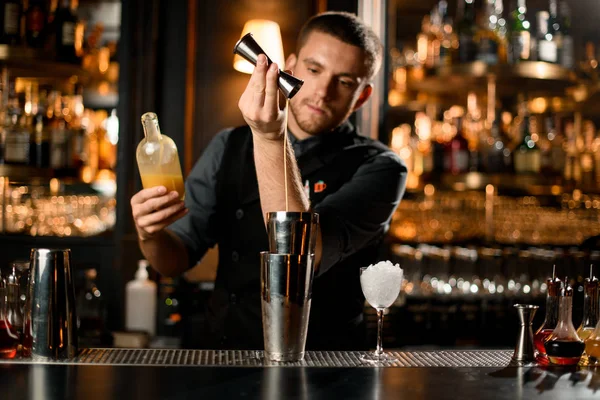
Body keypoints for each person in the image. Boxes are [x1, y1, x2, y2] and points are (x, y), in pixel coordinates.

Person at [130, 11, 407, 350]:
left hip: (328, 366)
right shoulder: (227, 146)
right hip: (227, 354)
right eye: (314, 70)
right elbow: (174, 261)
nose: (322, 91)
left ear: (362, 97)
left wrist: (269, 137)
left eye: (345, 82)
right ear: (289, 67)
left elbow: (297, 252)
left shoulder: (381, 168)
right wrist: (150, 234)